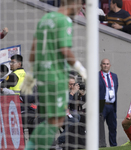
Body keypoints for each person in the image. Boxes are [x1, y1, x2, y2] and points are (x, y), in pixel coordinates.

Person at [26, 0, 87, 149]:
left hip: (42, 76)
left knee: (50, 120)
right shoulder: (64, 20)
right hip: (56, 77)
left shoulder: (45, 19)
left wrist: (32, 74)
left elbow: (33, 51)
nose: (80, 8)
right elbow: (64, 50)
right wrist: (81, 69)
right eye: (80, 5)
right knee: (56, 119)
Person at [99, 58, 118, 147]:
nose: (105, 65)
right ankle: (101, 146)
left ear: (110, 65)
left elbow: (116, 89)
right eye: (104, 64)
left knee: (113, 127)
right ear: (101, 65)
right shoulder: (96, 76)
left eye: (107, 64)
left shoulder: (114, 76)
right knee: (100, 127)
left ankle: (113, 146)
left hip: (112, 105)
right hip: (102, 104)